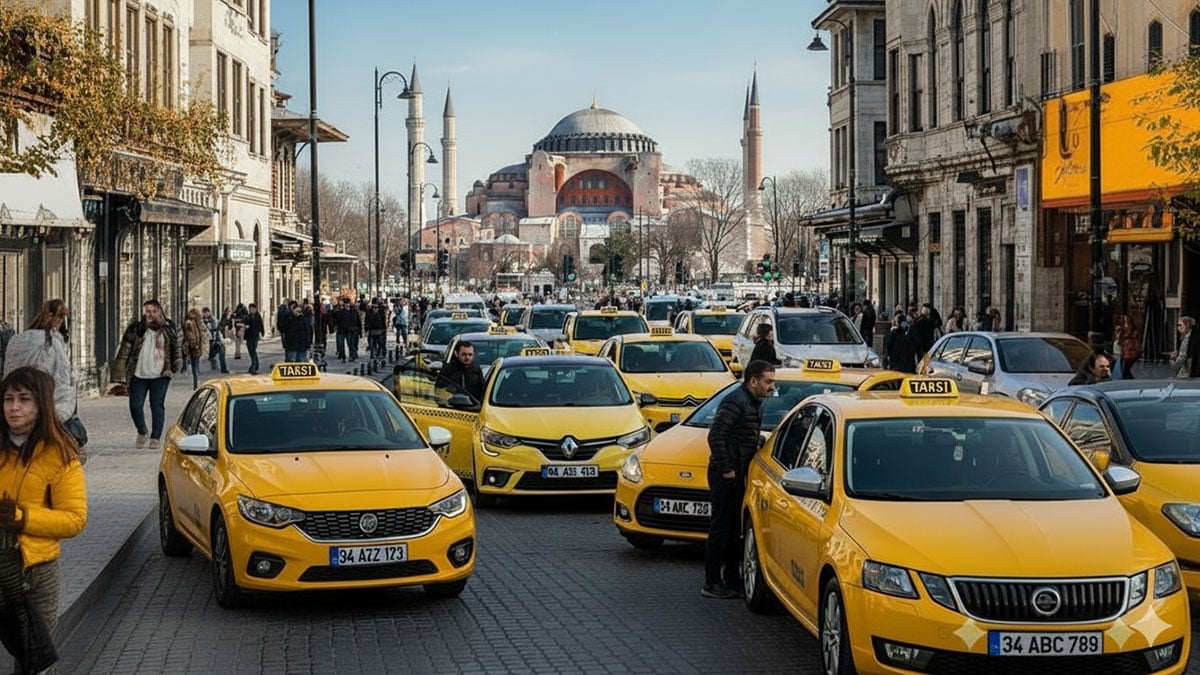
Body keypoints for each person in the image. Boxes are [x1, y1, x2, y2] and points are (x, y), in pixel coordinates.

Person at [0, 367, 87, 671]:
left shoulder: (59, 454)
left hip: (35, 574)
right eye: (8, 399)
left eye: (24, 399)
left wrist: (24, 518)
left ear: (41, 405)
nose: (14, 407)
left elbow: (74, 519)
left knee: (33, 662)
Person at [703, 359, 776, 599]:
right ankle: (712, 582)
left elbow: (742, 436)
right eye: (768, 381)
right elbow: (716, 436)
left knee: (734, 529)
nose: (772, 387)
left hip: (737, 471)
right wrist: (727, 470)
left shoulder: (752, 401)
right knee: (721, 528)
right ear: (753, 381)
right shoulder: (736, 401)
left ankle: (732, 579)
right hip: (726, 474)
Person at [112, 299, 183, 448]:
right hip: (139, 374)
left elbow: (176, 348)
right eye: (147, 311)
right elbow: (124, 351)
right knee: (135, 406)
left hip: (161, 374)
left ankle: (155, 437)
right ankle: (142, 430)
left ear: (160, 311)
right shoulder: (136, 329)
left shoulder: (169, 328)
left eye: (153, 311)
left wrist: (175, 366)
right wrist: (119, 373)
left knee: (157, 405)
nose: (150, 314)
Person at [182, 308, 205, 388]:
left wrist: (198, 344)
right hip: (194, 347)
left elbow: (197, 334)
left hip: (196, 346)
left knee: (195, 365)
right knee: (195, 365)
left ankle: (196, 382)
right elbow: (191, 335)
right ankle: (196, 382)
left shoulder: (195, 322)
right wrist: (195, 345)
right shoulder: (191, 323)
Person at [1112, 314, 1139, 380]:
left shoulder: (1134, 338)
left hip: (1131, 360)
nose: (1126, 326)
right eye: (1123, 323)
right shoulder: (1119, 338)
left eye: (1128, 323)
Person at [201, 307, 228, 374]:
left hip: (216, 339)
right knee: (211, 355)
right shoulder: (203, 320)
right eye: (204, 313)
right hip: (208, 340)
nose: (206, 314)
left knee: (221, 353)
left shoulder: (214, 319)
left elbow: (217, 329)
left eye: (207, 313)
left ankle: (223, 369)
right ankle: (214, 366)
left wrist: (219, 338)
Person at [242, 303, 265, 375]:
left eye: (252, 309)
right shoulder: (248, 316)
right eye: (250, 309)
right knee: (251, 351)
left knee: (253, 351)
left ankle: (254, 367)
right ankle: (254, 366)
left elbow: (261, 324)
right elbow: (245, 323)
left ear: (255, 309)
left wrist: (262, 332)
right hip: (249, 336)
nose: (251, 310)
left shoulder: (257, 316)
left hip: (255, 336)